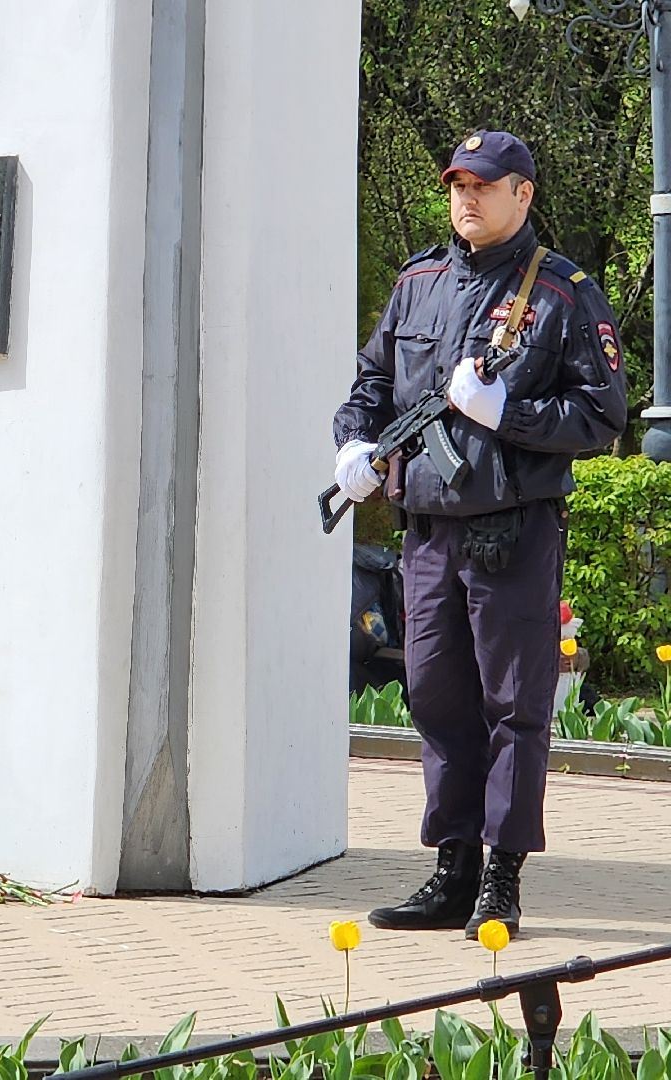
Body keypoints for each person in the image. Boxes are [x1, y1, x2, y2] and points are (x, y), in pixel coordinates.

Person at [331, 131, 627, 939]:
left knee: (513, 709)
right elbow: (371, 384)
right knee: (436, 699)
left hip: (512, 532)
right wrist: (354, 444)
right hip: (428, 533)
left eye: (484, 186)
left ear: (522, 195)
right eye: (458, 184)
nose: (466, 198)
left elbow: (602, 417)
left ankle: (502, 876)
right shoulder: (419, 282)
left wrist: (510, 414)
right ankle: (451, 869)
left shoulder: (563, 294)